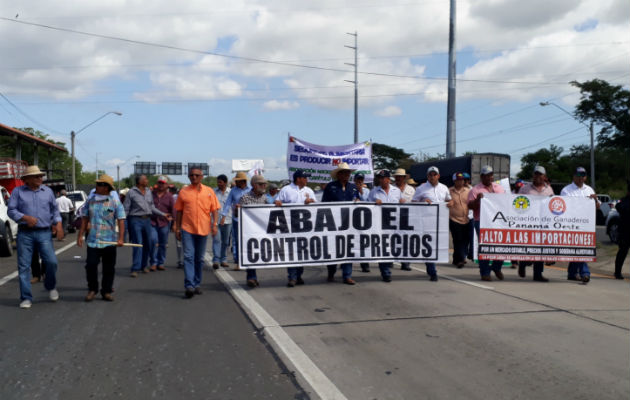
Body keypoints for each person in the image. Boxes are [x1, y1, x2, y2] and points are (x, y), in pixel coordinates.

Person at [7, 165, 63, 309]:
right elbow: (11, 210)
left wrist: (58, 224)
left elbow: (54, 210)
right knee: (24, 266)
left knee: (51, 262)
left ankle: (50, 286)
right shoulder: (18, 191)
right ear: (27, 179)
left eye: (41, 176)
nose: (40, 178)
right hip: (25, 233)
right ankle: (26, 297)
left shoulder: (48, 191)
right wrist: (25, 217)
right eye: (36, 176)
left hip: (44, 232)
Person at [76, 175, 125, 302]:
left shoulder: (115, 202)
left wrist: (121, 238)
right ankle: (92, 289)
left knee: (109, 268)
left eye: (100, 184)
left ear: (106, 188)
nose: (96, 186)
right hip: (93, 240)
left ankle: (106, 291)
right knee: (91, 265)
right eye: (97, 184)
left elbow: (121, 220)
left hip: (109, 240)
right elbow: (85, 218)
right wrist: (80, 235)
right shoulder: (90, 200)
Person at [174, 168, 220, 298]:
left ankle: (197, 284)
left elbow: (214, 210)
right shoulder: (184, 192)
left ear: (201, 177)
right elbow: (179, 211)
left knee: (199, 258)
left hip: (204, 229)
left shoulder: (209, 191)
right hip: (187, 228)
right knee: (188, 256)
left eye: (196, 175)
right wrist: (177, 228)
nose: (194, 177)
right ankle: (189, 285)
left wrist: (214, 224)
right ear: (189, 177)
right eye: (191, 175)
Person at [275, 169, 316, 287]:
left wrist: (311, 201)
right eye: (305, 178)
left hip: (304, 227)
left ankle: (298, 275)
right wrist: (278, 202)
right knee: (292, 252)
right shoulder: (286, 190)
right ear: (298, 179)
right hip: (290, 226)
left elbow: (317, 206)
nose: (307, 180)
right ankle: (292, 277)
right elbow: (278, 201)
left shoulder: (309, 190)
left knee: (301, 251)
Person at [124, 175, 170, 277]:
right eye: (145, 179)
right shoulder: (131, 192)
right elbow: (126, 209)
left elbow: (152, 207)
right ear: (139, 181)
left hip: (147, 220)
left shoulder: (149, 192)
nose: (147, 181)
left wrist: (163, 214)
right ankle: (135, 268)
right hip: (135, 220)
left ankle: (144, 266)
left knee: (148, 244)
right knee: (138, 244)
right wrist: (123, 223)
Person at [560, 167, 600, 284]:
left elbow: (597, 207)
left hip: (586, 225)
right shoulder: (566, 190)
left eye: (583, 175)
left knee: (580, 249)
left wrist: (595, 201)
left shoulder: (589, 189)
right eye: (578, 175)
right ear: (574, 176)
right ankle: (585, 273)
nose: (580, 177)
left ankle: (572, 273)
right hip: (571, 223)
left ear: (585, 177)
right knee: (579, 249)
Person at [322, 162, 360, 285]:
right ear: (338, 175)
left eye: (348, 173)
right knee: (333, 249)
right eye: (344, 173)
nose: (346, 175)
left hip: (349, 224)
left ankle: (347, 275)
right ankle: (331, 272)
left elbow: (358, 200)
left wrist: (358, 201)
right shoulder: (330, 187)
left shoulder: (353, 187)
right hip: (333, 224)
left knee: (348, 249)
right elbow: (323, 205)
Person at [412, 166, 451, 281]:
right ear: (427, 176)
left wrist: (451, 203)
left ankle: (431, 268)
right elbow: (413, 202)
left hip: (441, 222)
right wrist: (423, 202)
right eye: (430, 175)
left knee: (437, 246)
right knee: (429, 245)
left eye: (435, 174)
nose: (432, 176)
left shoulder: (444, 188)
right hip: (426, 222)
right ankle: (432, 271)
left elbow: (449, 200)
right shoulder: (421, 188)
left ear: (438, 176)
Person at [467, 165, 506, 281]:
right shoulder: (475, 190)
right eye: (486, 175)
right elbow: (470, 206)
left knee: (501, 245)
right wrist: (478, 200)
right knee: (484, 246)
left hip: (498, 221)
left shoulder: (499, 188)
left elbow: (506, 203)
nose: (489, 177)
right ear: (481, 177)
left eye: (491, 175)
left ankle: (496, 267)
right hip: (481, 221)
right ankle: (484, 272)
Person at [517, 166, 554, 282]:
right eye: (536, 174)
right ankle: (523, 264)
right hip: (528, 223)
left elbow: (552, 205)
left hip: (543, 224)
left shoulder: (549, 190)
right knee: (527, 248)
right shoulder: (524, 189)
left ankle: (538, 274)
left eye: (540, 174)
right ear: (533, 175)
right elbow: (516, 204)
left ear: (545, 177)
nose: (538, 176)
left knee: (540, 249)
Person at [368, 170, 402, 282]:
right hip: (380, 224)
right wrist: (373, 202)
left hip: (394, 225)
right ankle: (385, 272)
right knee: (382, 248)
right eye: (380, 178)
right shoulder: (373, 192)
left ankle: (389, 264)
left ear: (388, 179)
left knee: (392, 247)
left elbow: (402, 204)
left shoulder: (396, 191)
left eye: (384, 178)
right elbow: (367, 208)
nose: (382, 180)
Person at [239, 175, 270, 288]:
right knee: (251, 254)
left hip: (262, 232)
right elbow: (238, 215)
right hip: (249, 233)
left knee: (260, 254)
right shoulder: (245, 198)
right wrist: (238, 210)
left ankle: (253, 277)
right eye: (261, 184)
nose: (264, 186)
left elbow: (271, 212)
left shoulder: (265, 198)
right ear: (254, 185)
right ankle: (251, 277)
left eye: (264, 184)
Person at [220, 172, 250, 266]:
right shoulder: (233, 191)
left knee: (247, 239)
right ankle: (237, 259)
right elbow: (228, 203)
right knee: (236, 239)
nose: (235, 183)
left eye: (237, 181)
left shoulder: (251, 190)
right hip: (236, 219)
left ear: (243, 181)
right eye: (235, 181)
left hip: (249, 220)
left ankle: (247, 258)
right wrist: (223, 216)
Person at [149, 176, 175, 271]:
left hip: (164, 223)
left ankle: (161, 262)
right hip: (152, 222)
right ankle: (153, 262)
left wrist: (175, 223)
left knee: (163, 243)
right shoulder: (151, 194)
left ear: (166, 185)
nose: (161, 185)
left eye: (163, 183)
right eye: (159, 183)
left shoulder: (170, 197)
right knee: (153, 241)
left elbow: (173, 210)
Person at [394, 168, 416, 271]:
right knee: (392, 240)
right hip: (393, 218)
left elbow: (416, 203)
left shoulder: (411, 190)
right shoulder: (391, 189)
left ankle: (405, 262)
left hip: (408, 218)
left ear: (404, 178)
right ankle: (389, 260)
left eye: (400, 177)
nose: (398, 178)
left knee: (407, 241)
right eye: (396, 176)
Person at [448, 172, 470, 268]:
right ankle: (460, 260)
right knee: (457, 239)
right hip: (454, 219)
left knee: (465, 240)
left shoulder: (468, 191)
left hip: (466, 219)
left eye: (461, 180)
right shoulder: (449, 191)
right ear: (454, 181)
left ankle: (456, 258)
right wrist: (448, 202)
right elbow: (443, 201)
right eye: (458, 180)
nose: (460, 182)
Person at [213, 174, 232, 269]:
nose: (218, 184)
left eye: (220, 182)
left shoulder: (231, 192)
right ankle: (216, 260)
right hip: (215, 220)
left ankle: (223, 259)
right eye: (218, 182)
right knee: (216, 240)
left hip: (228, 220)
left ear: (225, 182)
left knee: (225, 241)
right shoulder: (213, 192)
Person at [354, 173, 370, 272]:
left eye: (361, 179)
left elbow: (368, 202)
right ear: (355, 180)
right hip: (351, 218)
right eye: (358, 179)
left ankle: (365, 264)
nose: (360, 181)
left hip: (363, 219)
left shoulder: (367, 191)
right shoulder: (350, 188)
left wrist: (361, 192)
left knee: (363, 241)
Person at [614, 182, 630, 280]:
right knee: (623, 252)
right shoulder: (624, 201)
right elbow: (619, 207)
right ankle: (617, 272)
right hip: (625, 231)